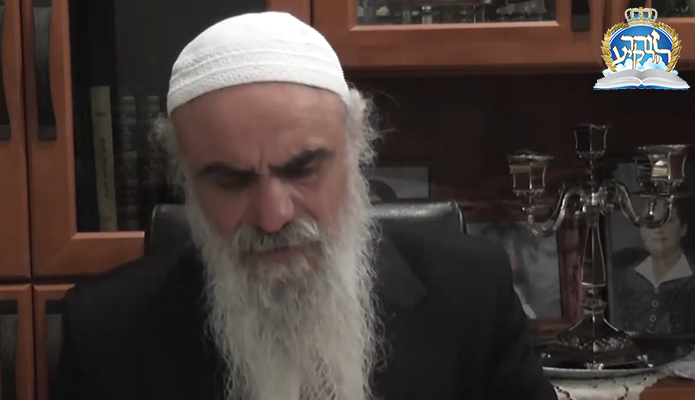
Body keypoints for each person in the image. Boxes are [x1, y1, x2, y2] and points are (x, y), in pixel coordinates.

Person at [53, 12, 555, 400]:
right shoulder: (104, 333)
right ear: (185, 178)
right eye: (230, 181)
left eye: (302, 169)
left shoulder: (472, 296)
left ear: (356, 148)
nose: (273, 216)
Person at [610, 198, 695, 335]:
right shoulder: (623, 277)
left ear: (683, 229)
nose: (658, 229)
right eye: (649, 221)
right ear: (641, 230)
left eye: (668, 221)